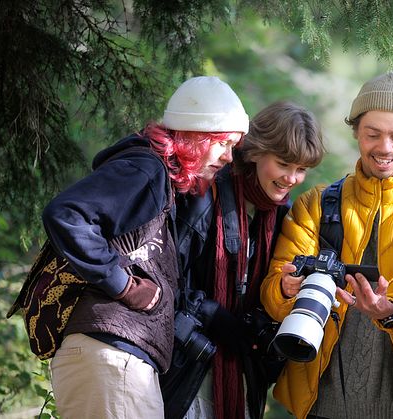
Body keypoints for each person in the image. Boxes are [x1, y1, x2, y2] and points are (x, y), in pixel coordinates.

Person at [43, 76, 249, 419]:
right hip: (111, 357)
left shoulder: (156, 178)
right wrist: (123, 285)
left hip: (117, 360)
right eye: (224, 143)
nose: (229, 157)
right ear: (197, 136)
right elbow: (66, 215)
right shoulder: (145, 169)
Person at [260, 72, 393, 419]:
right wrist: (285, 288)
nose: (384, 148)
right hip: (318, 400)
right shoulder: (317, 204)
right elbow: (271, 293)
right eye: (372, 134)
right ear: (356, 131)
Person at [169, 101, 325, 419]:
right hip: (186, 364)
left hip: (239, 374)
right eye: (284, 164)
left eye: (302, 169)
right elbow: (167, 276)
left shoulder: (282, 214)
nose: (293, 178)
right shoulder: (205, 192)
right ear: (254, 151)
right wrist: (213, 315)